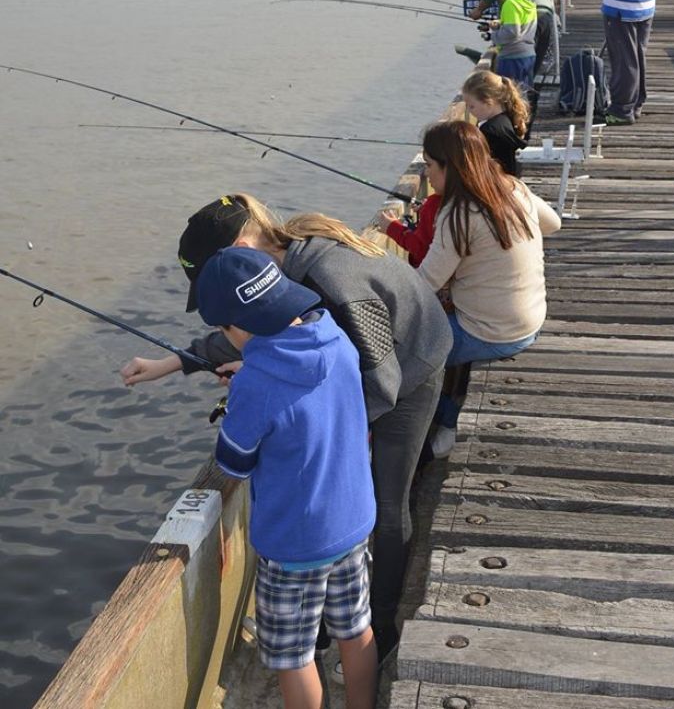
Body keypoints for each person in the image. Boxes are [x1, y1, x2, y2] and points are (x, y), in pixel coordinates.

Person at [121, 193, 453, 667]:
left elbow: (380, 385)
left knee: (386, 502)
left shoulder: (331, 278)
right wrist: (173, 362)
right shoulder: (279, 267)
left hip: (412, 365)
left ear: (240, 249)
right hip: (374, 364)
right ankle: (327, 630)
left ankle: (382, 630)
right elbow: (255, 331)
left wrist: (285, 400)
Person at [196, 246, 377, 709]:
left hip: (296, 544)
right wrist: (253, 372)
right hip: (353, 522)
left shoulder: (256, 384)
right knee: (355, 631)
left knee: (293, 657)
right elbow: (303, 391)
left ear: (233, 328)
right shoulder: (334, 336)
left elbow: (233, 463)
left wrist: (243, 389)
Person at [415, 121, 561, 458]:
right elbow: (554, 223)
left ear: (449, 167)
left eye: (429, 165)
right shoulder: (511, 187)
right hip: (531, 318)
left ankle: (445, 427)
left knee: (411, 355)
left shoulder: (457, 214)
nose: (426, 174)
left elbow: (424, 285)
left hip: (492, 333)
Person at [461, 69, 529, 176]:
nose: (468, 111)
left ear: (489, 102)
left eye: (471, 106)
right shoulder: (507, 118)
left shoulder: (490, 132)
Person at [486, 0, 538, 87]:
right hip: (528, 55)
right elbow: (521, 23)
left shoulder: (510, 4)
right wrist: (501, 23)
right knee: (523, 94)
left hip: (512, 58)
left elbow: (512, 33)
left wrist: (492, 35)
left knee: (511, 98)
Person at [376, 193, 442, 267]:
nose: (429, 180)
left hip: (424, 274)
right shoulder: (442, 201)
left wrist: (392, 228)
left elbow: (423, 250)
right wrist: (426, 211)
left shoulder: (436, 204)